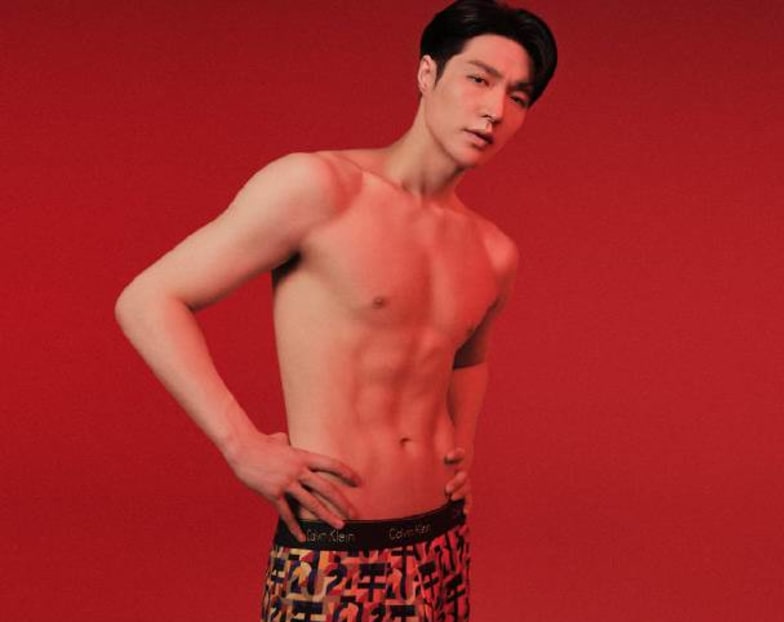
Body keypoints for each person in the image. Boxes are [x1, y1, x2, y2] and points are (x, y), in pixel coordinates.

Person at [115, 0, 557, 619]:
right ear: (427, 73)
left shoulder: (492, 250)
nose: (495, 109)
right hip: (337, 546)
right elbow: (148, 299)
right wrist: (240, 444)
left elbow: (467, 358)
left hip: (441, 538)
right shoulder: (320, 188)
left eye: (518, 96)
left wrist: (464, 447)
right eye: (479, 79)